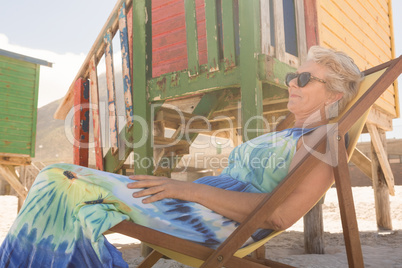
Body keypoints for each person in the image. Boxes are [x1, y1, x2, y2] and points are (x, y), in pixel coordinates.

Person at [0, 46, 362, 267]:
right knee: (81, 207)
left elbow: (281, 214)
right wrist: (184, 191)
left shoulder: (325, 137)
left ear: (332, 96)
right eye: (292, 76)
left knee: (60, 178)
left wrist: (186, 191)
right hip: (200, 208)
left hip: (220, 226)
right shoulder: (290, 132)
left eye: (304, 80)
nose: (290, 83)